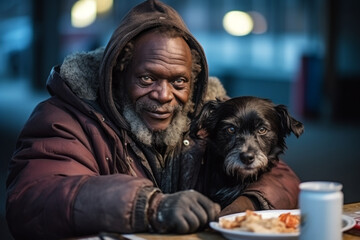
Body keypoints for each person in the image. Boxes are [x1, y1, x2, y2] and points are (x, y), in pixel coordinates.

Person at [5, 0, 300, 239]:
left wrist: (240, 212)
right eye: (147, 78)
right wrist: (149, 207)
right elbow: (32, 201)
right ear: (118, 74)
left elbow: (281, 177)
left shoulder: (210, 115)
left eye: (179, 82)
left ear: (193, 83)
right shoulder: (65, 118)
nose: (163, 94)